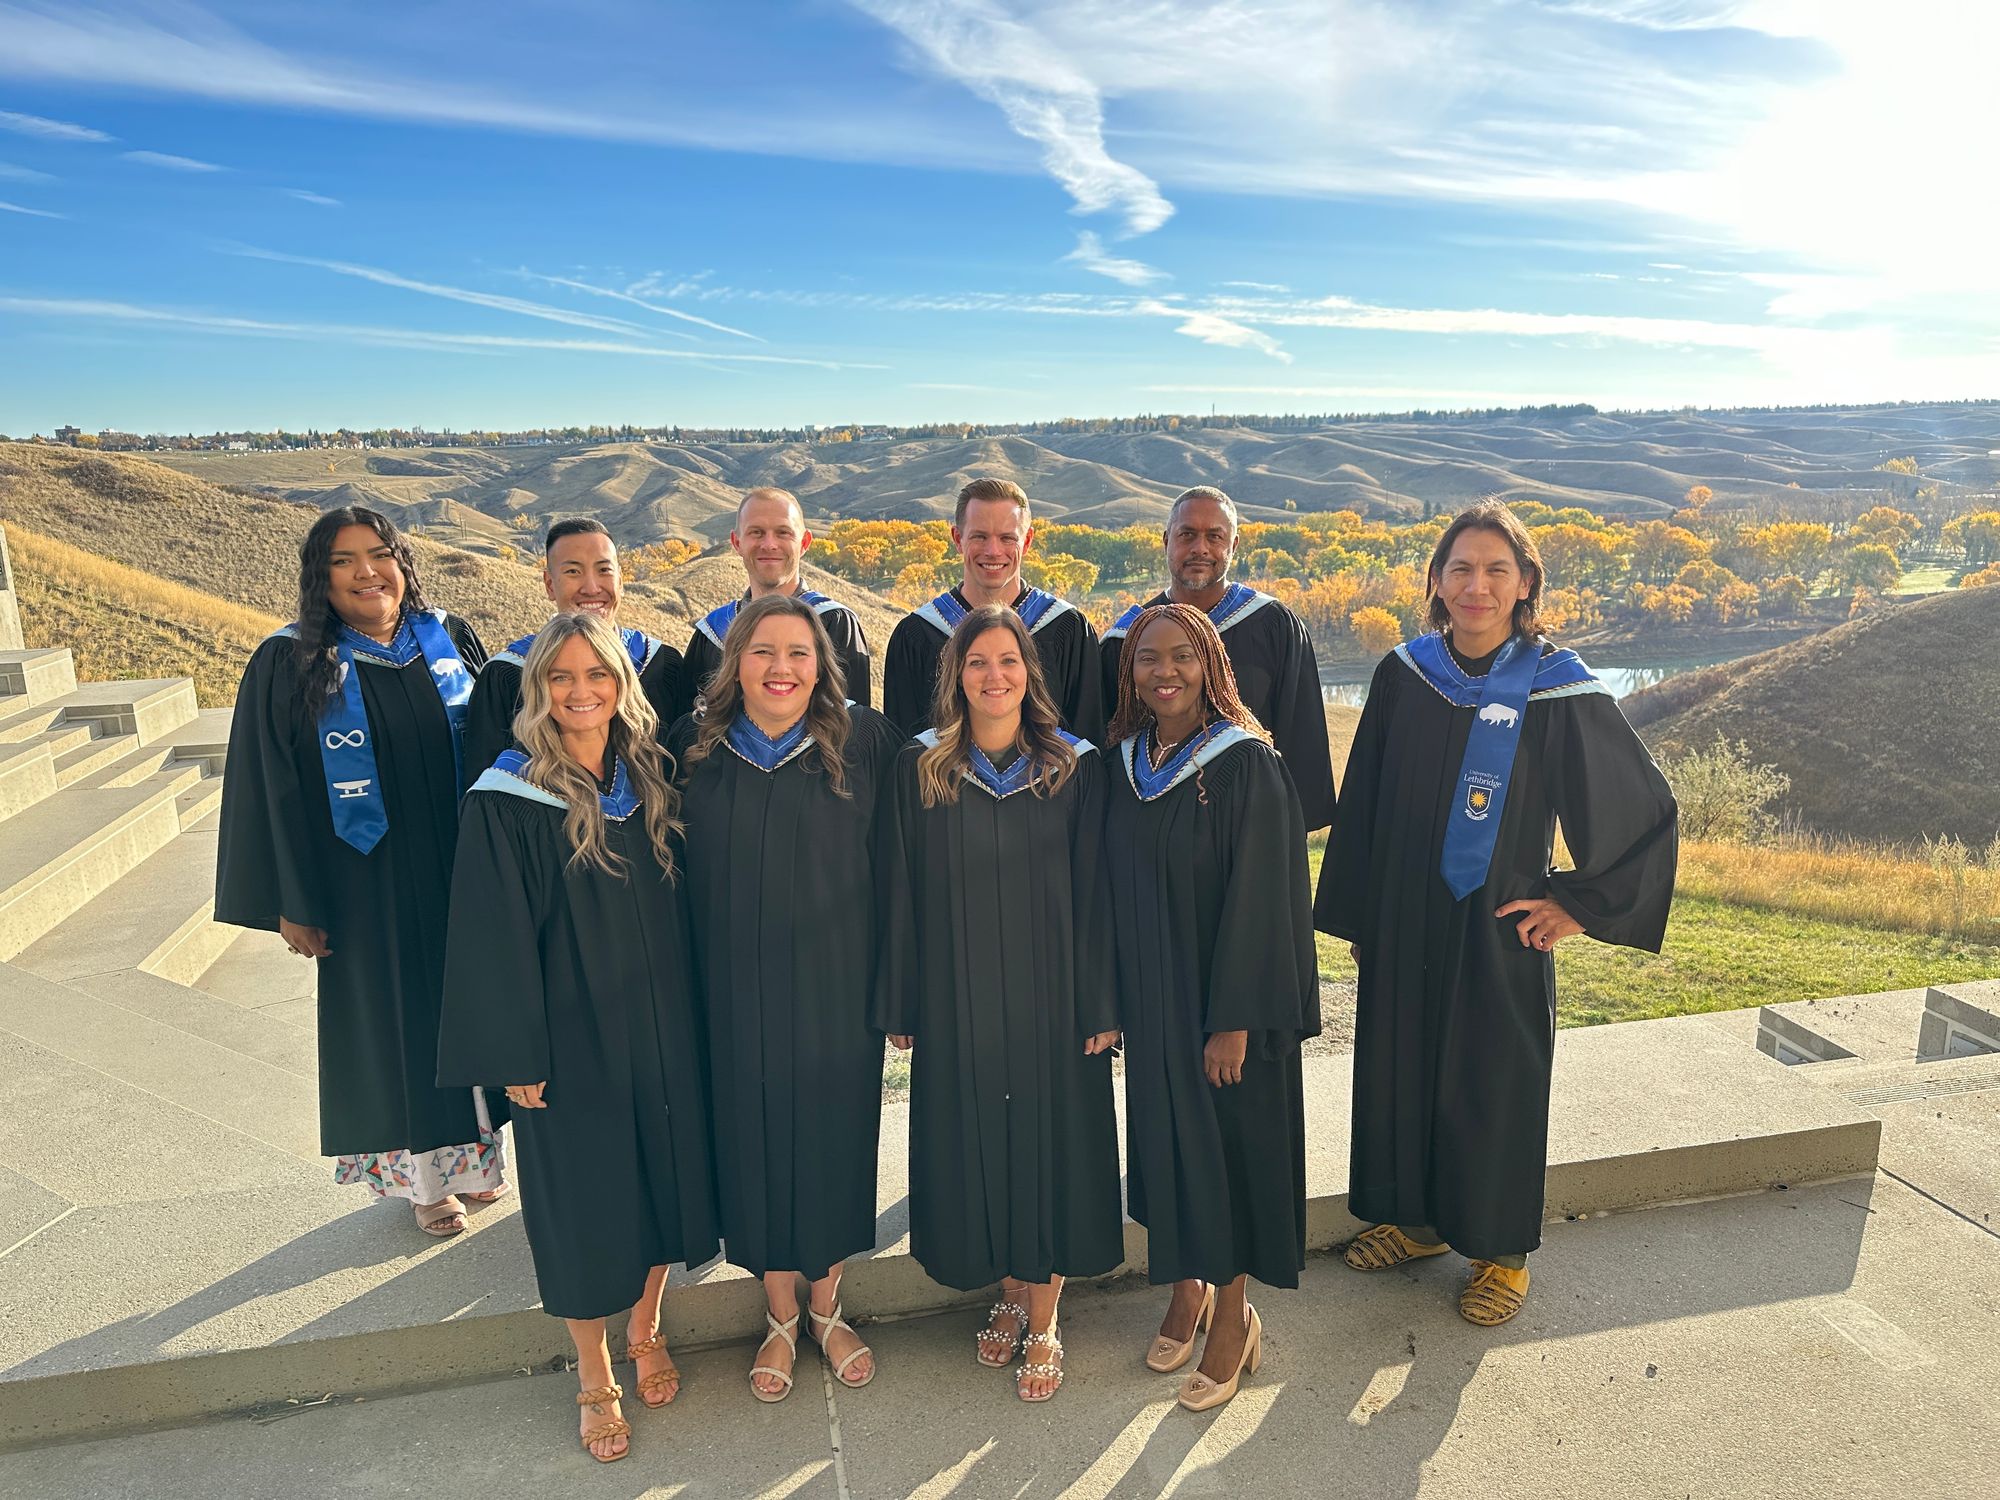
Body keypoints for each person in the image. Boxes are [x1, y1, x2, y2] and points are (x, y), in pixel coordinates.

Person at [1316, 501, 1678, 1326]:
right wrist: (1367, 917)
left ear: (1524, 585)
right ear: (1436, 584)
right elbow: (1366, 802)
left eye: (1496, 570)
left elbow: (1639, 808)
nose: (1476, 585)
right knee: (1403, 1065)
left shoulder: (1557, 687)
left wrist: (1577, 905)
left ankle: (1499, 1253)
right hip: (1407, 916)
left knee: (1493, 1080)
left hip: (1499, 926)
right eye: (1460, 569)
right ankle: (1414, 1222)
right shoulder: (1405, 674)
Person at [439, 612, 720, 1463]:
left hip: (666, 1023)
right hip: (572, 1037)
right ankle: (594, 1372)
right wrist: (515, 1053)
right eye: (561, 678)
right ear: (538, 691)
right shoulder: (509, 795)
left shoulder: (652, 775)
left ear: (621, 684)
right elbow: (490, 932)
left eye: (596, 675)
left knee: (661, 1180)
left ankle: (646, 1330)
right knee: (584, 1202)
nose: (580, 692)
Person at [215, 506, 504, 1238]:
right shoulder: (292, 659)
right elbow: (270, 787)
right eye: (345, 560)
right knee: (395, 1025)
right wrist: (292, 898)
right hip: (361, 884)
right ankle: (423, 1183)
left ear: (404, 562)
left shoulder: (450, 639)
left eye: (380, 554)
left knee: (474, 1010)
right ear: (321, 576)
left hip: (457, 868)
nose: (368, 572)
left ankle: (474, 1164)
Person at [874, 605, 1123, 1403]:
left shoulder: (1072, 765)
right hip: (958, 993)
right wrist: (903, 998)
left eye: (1008, 661)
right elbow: (899, 892)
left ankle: (1045, 1315)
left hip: (1054, 993)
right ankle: (1007, 1294)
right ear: (956, 675)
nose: (994, 675)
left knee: (1047, 1140)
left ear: (1029, 672)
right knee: (980, 1137)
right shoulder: (923, 767)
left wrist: (1100, 1001)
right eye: (977, 661)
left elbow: (1099, 896)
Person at [669, 593, 900, 1403]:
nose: (781, 668)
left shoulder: (865, 740)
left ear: (822, 664)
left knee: (833, 1141)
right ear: (736, 662)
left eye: (799, 653)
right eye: (763, 652)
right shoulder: (695, 747)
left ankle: (829, 1307)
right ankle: (777, 1315)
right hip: (730, 989)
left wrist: (896, 987)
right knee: (751, 1142)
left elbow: (902, 870)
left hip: (838, 988)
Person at [1102, 603, 1319, 1412]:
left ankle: (1234, 1316)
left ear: (1213, 667)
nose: (1165, 672)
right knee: (1172, 1153)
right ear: (1129, 673)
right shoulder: (1124, 762)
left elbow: (1267, 903)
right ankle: (1187, 1288)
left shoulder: (1245, 766)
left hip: (1223, 1012)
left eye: (1183, 658)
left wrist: (1234, 1020)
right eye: (1147, 658)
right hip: (1156, 1005)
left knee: (1226, 1162)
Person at [1100, 486, 1336, 831]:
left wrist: (1285, 835)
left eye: (1215, 536)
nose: (1200, 548)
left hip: (1250, 823)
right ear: (1166, 540)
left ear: (1234, 545)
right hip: (1149, 829)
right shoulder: (1129, 638)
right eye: (1187, 535)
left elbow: (1300, 738)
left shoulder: (1273, 625)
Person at [461, 517, 687, 787]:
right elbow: (487, 789)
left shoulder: (660, 663)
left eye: (604, 570)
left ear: (621, 581)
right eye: (573, 572)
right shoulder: (508, 673)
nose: (592, 587)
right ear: (549, 585)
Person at [881, 478, 1101, 740]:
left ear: (1027, 541)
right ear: (958, 539)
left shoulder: (1068, 629)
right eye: (980, 536)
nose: (993, 551)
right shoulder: (917, 634)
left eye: (1007, 538)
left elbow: (1088, 744)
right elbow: (904, 751)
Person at [682, 487, 872, 710]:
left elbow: (854, 726)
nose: (769, 544)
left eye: (783, 532)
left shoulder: (834, 622)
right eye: (756, 532)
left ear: (804, 543)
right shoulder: (713, 632)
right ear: (736, 543)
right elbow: (690, 726)